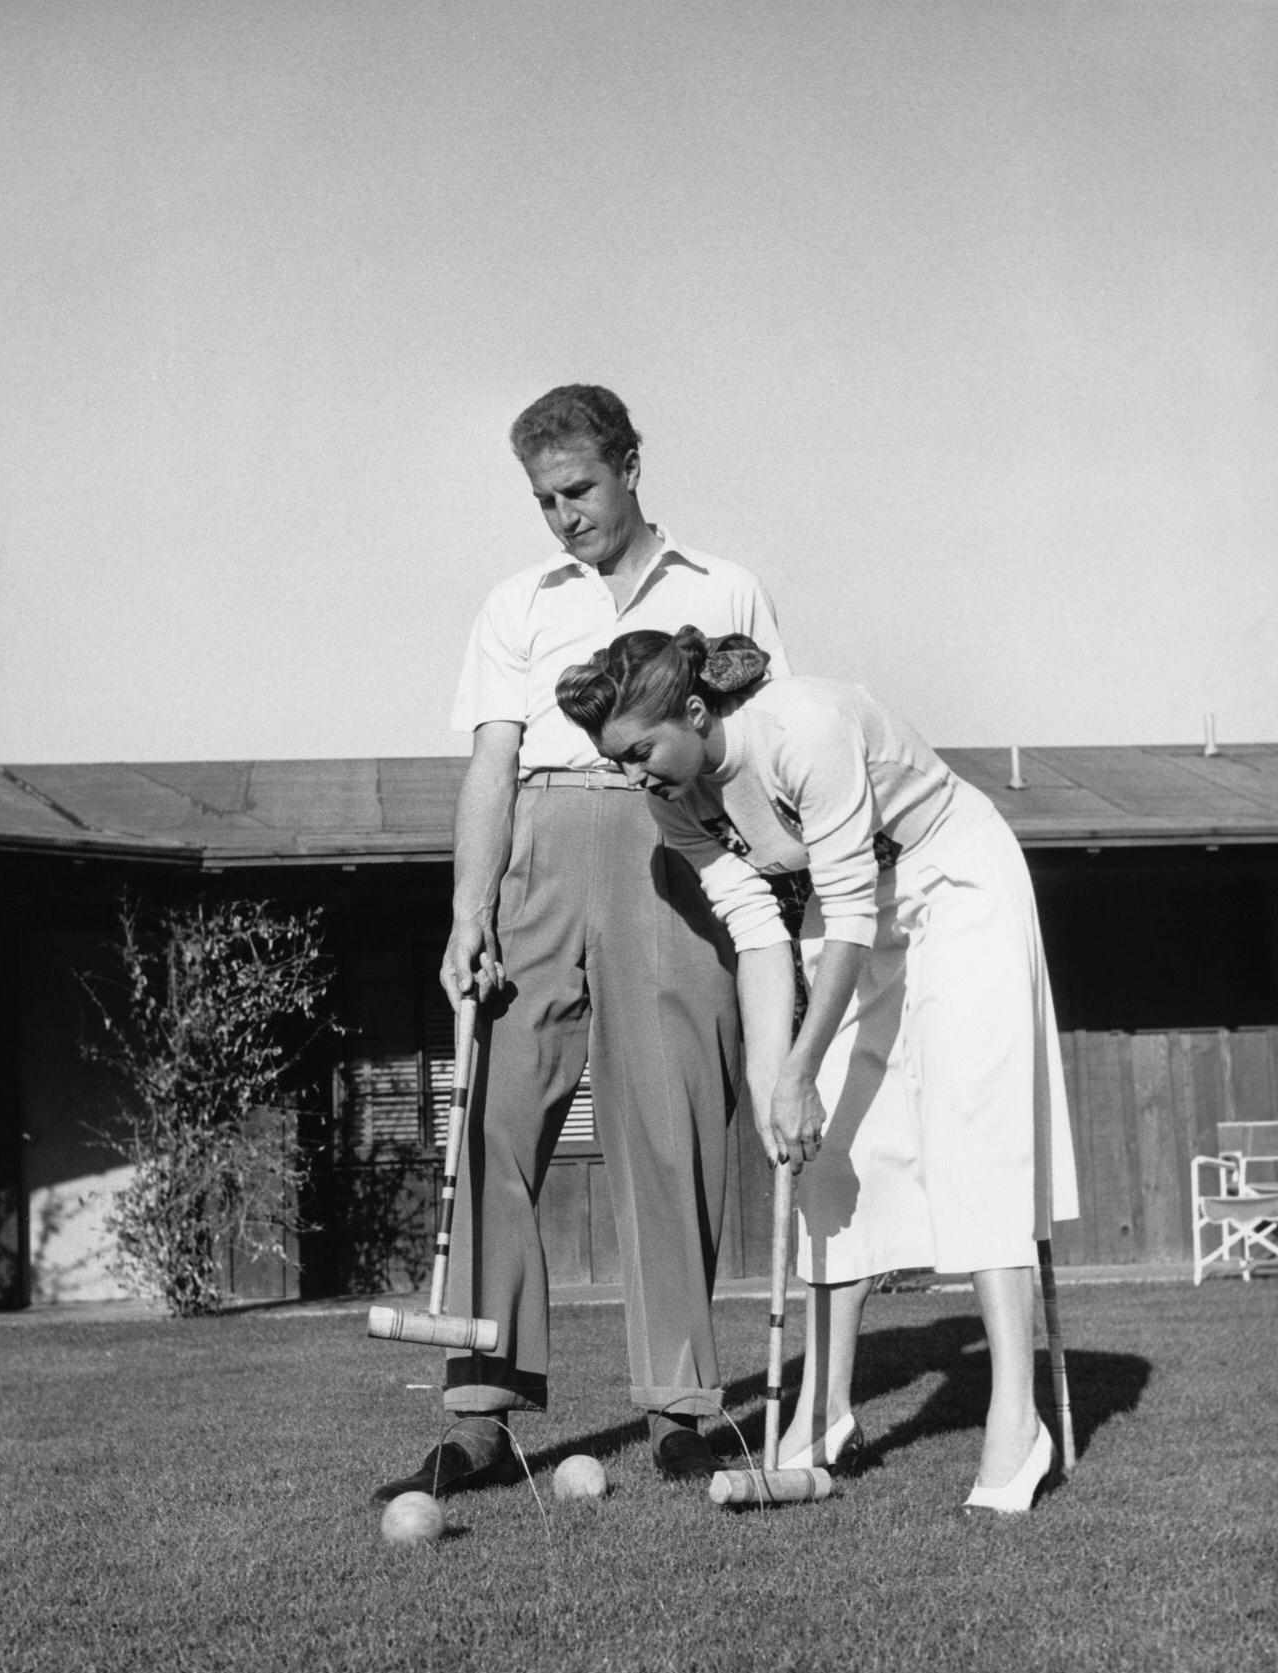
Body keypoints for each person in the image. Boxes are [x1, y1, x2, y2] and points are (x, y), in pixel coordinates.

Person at [555, 626, 1080, 1513]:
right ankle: (824, 1412)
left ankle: (1017, 1423)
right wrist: (775, 1086)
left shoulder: (805, 729)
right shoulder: (673, 801)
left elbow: (844, 910)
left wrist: (798, 1064)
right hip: (853, 919)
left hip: (956, 884)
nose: (634, 775)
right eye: (618, 762)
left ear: (692, 711)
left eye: (641, 751)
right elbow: (757, 928)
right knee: (826, 1152)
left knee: (970, 1132)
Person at [372, 389, 789, 1502]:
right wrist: (470, 910)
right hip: (541, 853)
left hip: (673, 852)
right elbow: (491, 764)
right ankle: (478, 1416)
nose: (562, 516)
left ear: (630, 464)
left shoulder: (724, 585)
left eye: (579, 489)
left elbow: (751, 745)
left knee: (672, 1130)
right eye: (542, 499)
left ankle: (682, 1410)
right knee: (495, 1124)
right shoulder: (516, 601)